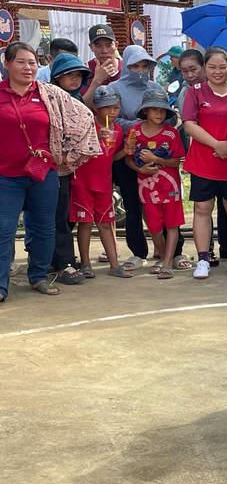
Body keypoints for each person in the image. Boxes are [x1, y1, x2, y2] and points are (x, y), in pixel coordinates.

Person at [0, 42, 100, 301]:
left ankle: (39, 277)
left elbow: (84, 118)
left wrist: (68, 154)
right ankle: (1, 285)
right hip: (5, 176)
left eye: (32, 62)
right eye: (21, 62)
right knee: (4, 229)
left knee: (45, 227)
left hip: (43, 173)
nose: (27, 67)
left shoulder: (50, 94)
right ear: (7, 64)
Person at [182, 46, 227, 280]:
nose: (217, 71)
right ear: (205, 68)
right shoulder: (195, 92)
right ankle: (202, 258)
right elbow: (189, 124)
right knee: (202, 209)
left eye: (222, 67)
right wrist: (216, 144)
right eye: (212, 67)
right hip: (203, 161)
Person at [106, 45, 163, 270]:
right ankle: (138, 252)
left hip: (155, 153)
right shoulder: (114, 87)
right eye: (135, 65)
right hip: (126, 154)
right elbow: (112, 119)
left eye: (144, 65)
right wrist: (141, 125)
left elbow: (164, 114)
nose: (140, 70)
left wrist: (156, 126)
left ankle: (166, 248)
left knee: (159, 203)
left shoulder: (155, 87)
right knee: (132, 206)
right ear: (126, 65)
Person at [72, 85, 131, 279]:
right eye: (106, 108)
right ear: (96, 108)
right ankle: (86, 264)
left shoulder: (119, 130)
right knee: (86, 223)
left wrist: (126, 151)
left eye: (115, 107)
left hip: (104, 183)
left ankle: (115, 264)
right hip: (83, 181)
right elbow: (78, 151)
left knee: (106, 223)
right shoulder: (88, 126)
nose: (111, 112)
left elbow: (111, 157)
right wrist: (95, 137)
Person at [126, 87, 185, 280]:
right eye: (154, 109)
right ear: (145, 111)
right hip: (147, 188)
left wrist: (155, 159)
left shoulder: (171, 133)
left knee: (172, 224)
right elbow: (128, 159)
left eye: (162, 110)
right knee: (154, 226)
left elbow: (176, 161)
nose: (158, 113)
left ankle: (168, 262)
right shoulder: (134, 132)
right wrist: (140, 169)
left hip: (170, 187)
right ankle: (160, 254)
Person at [48, 52, 94, 285]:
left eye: (78, 76)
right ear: (57, 78)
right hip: (49, 167)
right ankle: (56, 261)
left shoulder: (80, 103)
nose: (74, 80)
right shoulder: (48, 99)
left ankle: (63, 260)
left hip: (75, 168)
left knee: (67, 216)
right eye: (68, 76)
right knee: (50, 216)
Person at [83, 24, 122, 95]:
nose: (104, 51)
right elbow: (81, 104)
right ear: (91, 47)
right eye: (98, 46)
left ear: (116, 45)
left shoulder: (127, 68)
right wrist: (96, 81)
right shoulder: (85, 71)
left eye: (109, 45)